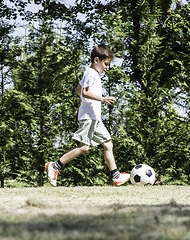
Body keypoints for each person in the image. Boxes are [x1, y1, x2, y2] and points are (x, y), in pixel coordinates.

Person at [45, 44, 130, 187]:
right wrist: (103, 99)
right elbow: (84, 92)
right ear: (96, 60)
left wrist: (86, 104)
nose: (107, 68)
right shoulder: (91, 73)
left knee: (108, 144)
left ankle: (116, 176)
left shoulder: (90, 73)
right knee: (84, 148)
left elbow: (78, 89)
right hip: (89, 117)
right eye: (106, 64)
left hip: (94, 117)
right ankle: (55, 166)